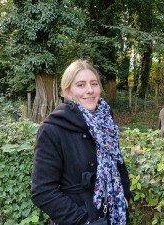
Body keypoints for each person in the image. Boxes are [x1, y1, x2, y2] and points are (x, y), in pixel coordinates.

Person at [31, 59, 131, 225]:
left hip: (114, 215)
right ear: (67, 91)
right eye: (81, 85)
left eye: (94, 84)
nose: (90, 90)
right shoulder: (52, 130)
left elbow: (119, 165)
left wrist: (124, 197)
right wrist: (83, 220)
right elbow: (42, 191)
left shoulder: (106, 125)